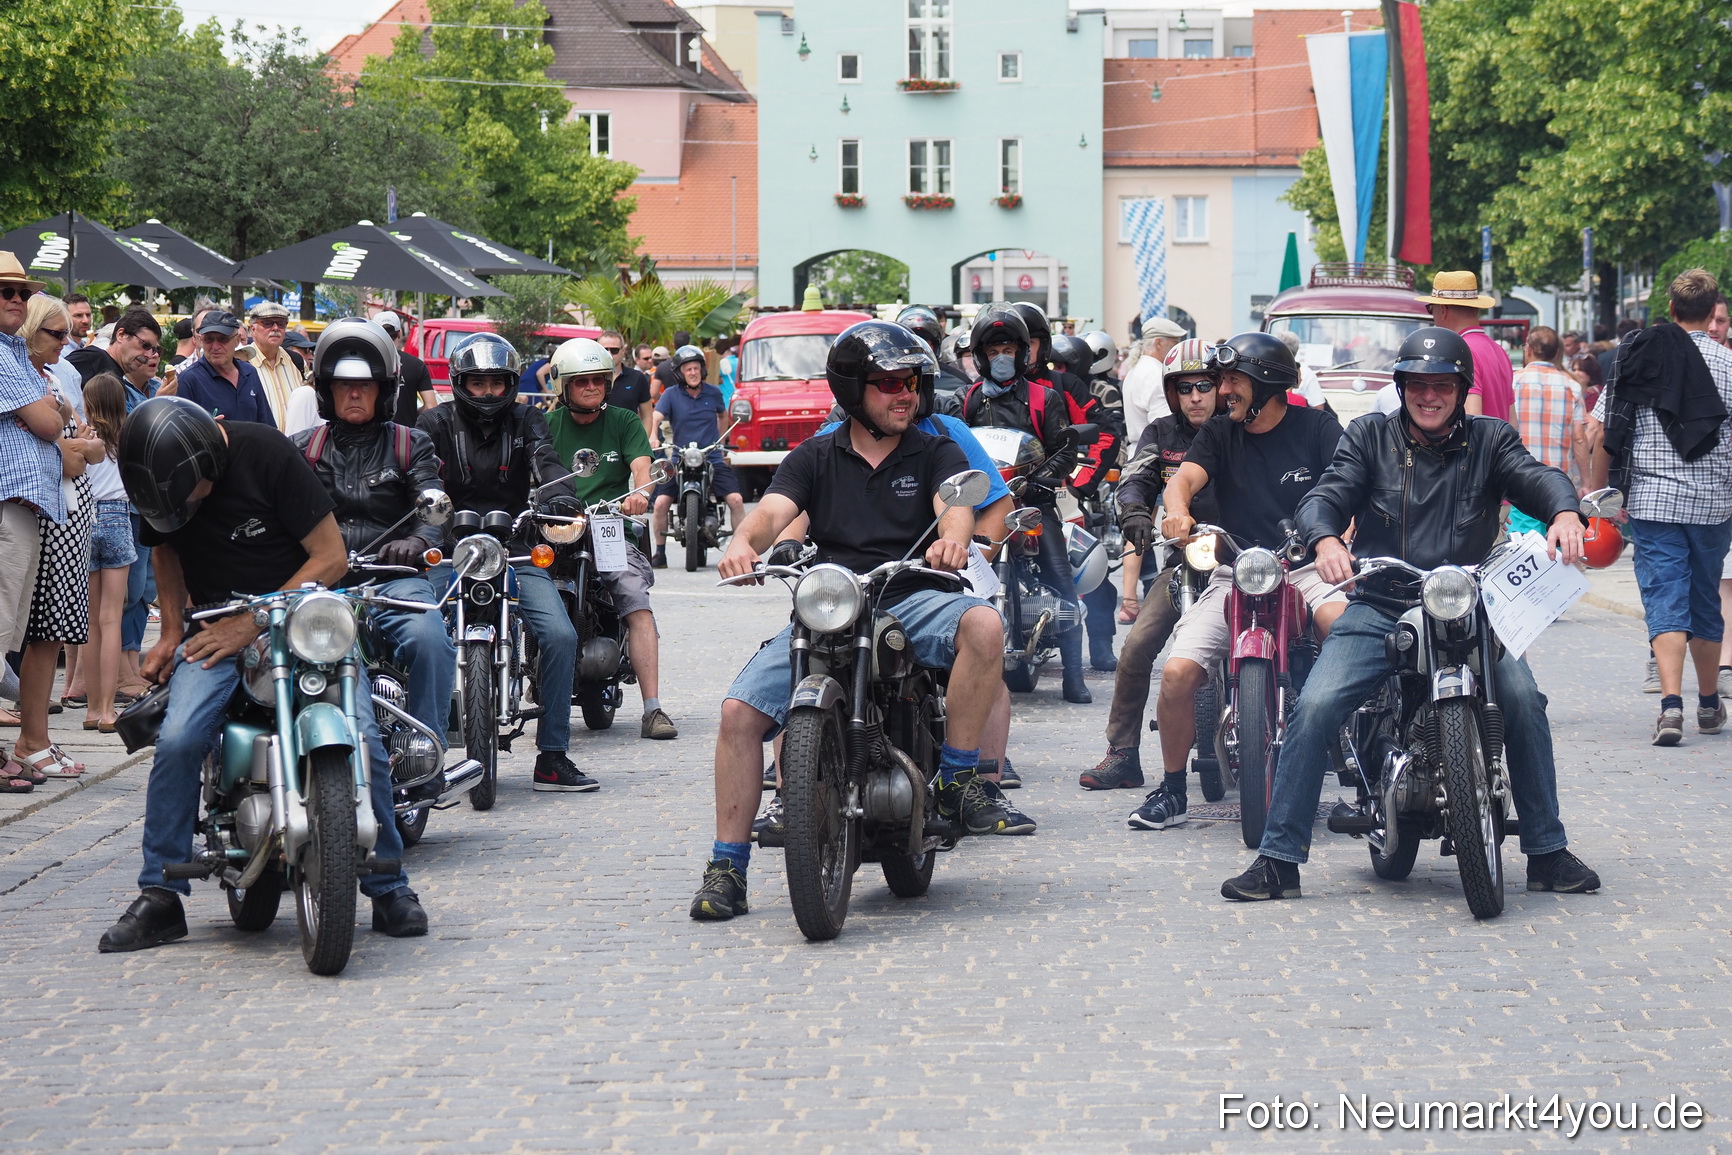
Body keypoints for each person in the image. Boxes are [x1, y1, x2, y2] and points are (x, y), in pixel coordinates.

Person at [1221, 325, 1600, 902]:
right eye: (1418, 384)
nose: (1429, 395)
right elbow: (1327, 493)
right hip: (1384, 599)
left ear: (1460, 388)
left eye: (1442, 384)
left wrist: (1565, 512)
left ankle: (1546, 849)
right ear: (1401, 386)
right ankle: (1278, 859)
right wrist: (1324, 538)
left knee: (1523, 700)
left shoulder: (1490, 439)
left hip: (1469, 601)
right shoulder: (1370, 435)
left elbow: (1536, 477)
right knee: (1317, 704)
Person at [688, 320, 1014, 920]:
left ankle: (959, 780)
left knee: (985, 626)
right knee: (737, 715)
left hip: (911, 594)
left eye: (910, 382)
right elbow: (774, 511)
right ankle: (726, 867)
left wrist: (952, 542)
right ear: (851, 390)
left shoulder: (934, 447)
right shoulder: (816, 454)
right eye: (887, 383)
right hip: (833, 602)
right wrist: (742, 543)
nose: (904, 394)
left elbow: (957, 507)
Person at [100, 396, 426, 951]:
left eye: (190, 499)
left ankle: (389, 884)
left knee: (366, 739)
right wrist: (173, 632)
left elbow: (329, 558)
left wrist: (250, 622)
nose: (183, 512)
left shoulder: (267, 453)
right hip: (213, 628)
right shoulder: (157, 480)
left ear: (208, 461)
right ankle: (160, 893)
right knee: (178, 739)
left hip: (301, 619)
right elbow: (166, 554)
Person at [1137, 332, 1348, 831]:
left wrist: (1338, 537)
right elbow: (1181, 480)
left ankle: (1365, 769)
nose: (1221, 389)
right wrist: (1177, 512)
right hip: (1239, 569)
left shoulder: (1317, 427)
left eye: (1232, 380)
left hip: (1308, 566)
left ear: (1266, 382)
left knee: (1345, 634)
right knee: (1176, 673)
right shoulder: (1217, 433)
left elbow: (1349, 482)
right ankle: (1170, 789)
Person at [418, 333, 594, 792]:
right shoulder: (434, 421)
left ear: (511, 383)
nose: (489, 393)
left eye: (497, 383)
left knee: (559, 635)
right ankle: (417, 753)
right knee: (418, 634)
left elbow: (547, 462)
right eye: (478, 384)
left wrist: (558, 495)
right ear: (460, 383)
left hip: (514, 544)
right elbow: (418, 473)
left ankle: (553, 756)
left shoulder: (527, 419)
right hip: (449, 549)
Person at [291, 318, 456, 759]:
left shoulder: (411, 444)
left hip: (394, 578)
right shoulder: (301, 448)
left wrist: (419, 542)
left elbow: (433, 502)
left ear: (384, 390)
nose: (355, 394)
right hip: (320, 583)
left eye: (365, 385)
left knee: (430, 639)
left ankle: (428, 749)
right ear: (327, 391)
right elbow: (277, 515)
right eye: (344, 385)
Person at [1587, 269, 1732, 747]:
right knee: (1705, 597)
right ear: (1714, 314)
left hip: (1652, 502)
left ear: (1670, 310)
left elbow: (1601, 431)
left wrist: (1599, 498)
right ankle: (1709, 703)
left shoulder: (1642, 356)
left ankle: (1672, 706)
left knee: (1665, 598)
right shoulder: (1730, 367)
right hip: (1714, 505)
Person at [1079, 339, 1224, 790]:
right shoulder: (1160, 433)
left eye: (1204, 385)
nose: (1196, 396)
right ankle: (1122, 753)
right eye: (1185, 388)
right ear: (1172, 392)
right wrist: (1137, 514)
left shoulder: (1239, 429)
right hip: (1185, 562)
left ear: (1222, 388)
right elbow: (1134, 479)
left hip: (1247, 565)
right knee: (1137, 647)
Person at [543, 337, 678, 741]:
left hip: (609, 526)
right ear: (563, 386)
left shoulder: (624, 421)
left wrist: (641, 494)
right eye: (581, 381)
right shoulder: (547, 426)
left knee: (635, 602)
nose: (591, 387)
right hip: (558, 529)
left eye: (598, 380)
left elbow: (642, 466)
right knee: (525, 597)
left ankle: (653, 709)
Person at [961, 303, 1092, 702]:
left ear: (1022, 353)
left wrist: (1043, 478)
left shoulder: (1044, 397)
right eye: (993, 351)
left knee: (1059, 574)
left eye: (1008, 350)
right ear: (982, 357)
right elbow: (957, 449)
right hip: (984, 502)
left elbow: (1064, 449)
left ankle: (1073, 673)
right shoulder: (969, 400)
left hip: (1031, 498)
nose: (1001, 358)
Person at [11, 294, 99, 783]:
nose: (68, 343)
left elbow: (92, 445)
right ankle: (31, 738)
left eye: (70, 333)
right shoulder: (20, 375)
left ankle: (36, 736)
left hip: (68, 512)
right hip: (47, 514)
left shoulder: (53, 376)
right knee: (39, 632)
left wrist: (79, 444)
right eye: (57, 334)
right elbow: (65, 452)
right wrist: (76, 445)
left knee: (53, 630)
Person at [650, 344, 745, 569]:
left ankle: (742, 548)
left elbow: (723, 415)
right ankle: (660, 552)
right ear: (680, 373)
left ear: (701, 370)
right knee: (661, 503)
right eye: (687, 369)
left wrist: (720, 442)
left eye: (695, 368)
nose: (692, 373)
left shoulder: (713, 392)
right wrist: (654, 435)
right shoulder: (671, 394)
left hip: (710, 456)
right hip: (681, 457)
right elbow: (656, 415)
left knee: (737, 500)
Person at [78, 374, 136, 732]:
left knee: (90, 622)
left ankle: (89, 709)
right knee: (111, 618)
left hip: (86, 517)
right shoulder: (127, 436)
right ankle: (107, 711)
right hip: (116, 516)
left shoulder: (83, 435)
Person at [1508, 326, 1591, 523]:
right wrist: (1586, 482)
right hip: (1558, 486)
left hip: (1519, 479)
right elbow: (1579, 438)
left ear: (1528, 349)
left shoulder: (1513, 381)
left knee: (1522, 548)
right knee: (1557, 548)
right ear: (1556, 353)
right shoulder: (1572, 387)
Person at [1415, 271, 1513, 421]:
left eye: (1431, 309)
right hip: (1500, 443)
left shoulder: (1460, 350)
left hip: (1477, 444)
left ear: (1443, 310)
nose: (1432, 316)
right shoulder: (1499, 350)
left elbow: (1472, 416)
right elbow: (1513, 422)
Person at [172, 310, 273, 423]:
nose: (215, 346)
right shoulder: (189, 379)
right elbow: (181, 433)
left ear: (237, 340)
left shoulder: (249, 372)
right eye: (209, 339)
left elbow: (267, 425)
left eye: (223, 339)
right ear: (200, 340)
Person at [1121, 317, 1188, 441]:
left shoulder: (1135, 369)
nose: (1178, 348)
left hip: (1139, 450)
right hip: (1154, 453)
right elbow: (1165, 426)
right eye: (1175, 343)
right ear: (1158, 343)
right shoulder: (1157, 374)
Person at [67, 307, 162, 388]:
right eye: (145, 345)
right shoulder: (93, 358)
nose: (149, 355)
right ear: (121, 335)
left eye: (153, 350)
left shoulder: (120, 376)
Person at [597, 329, 654, 443]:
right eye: (604, 350)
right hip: (595, 443)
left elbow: (647, 416)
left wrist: (641, 444)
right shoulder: (587, 379)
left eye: (614, 350)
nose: (609, 354)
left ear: (623, 351)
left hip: (627, 443)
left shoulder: (637, 378)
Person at [653, 332, 689, 397]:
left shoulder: (662, 366)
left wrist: (666, 400)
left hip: (671, 405)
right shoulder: (695, 365)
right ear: (689, 345)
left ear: (673, 345)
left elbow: (654, 392)